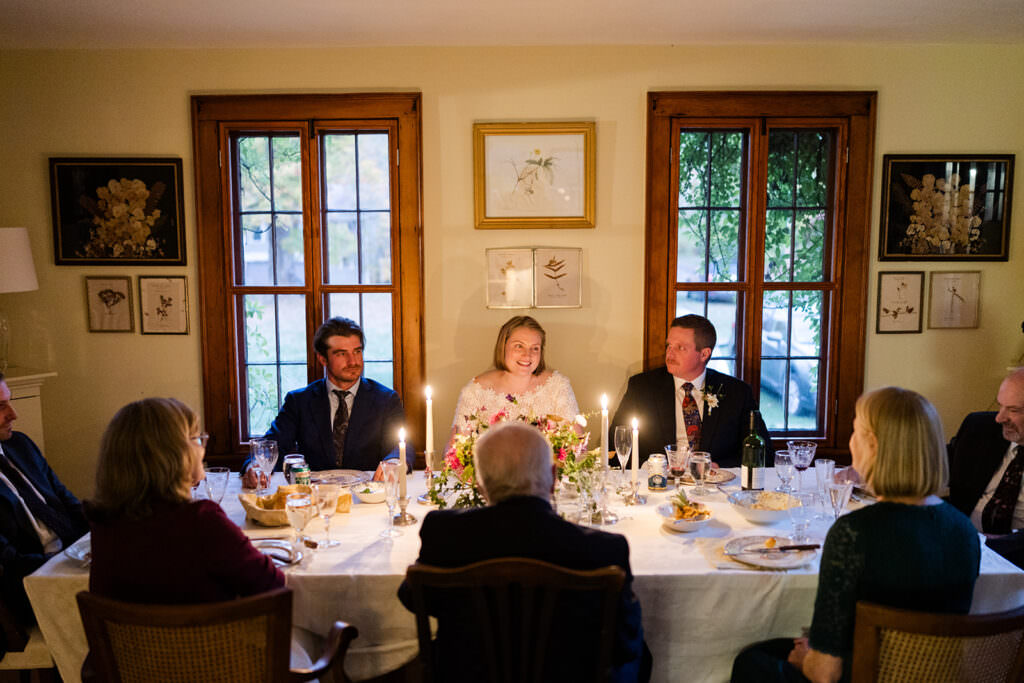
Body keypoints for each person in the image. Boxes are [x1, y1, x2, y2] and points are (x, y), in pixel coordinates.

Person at [731, 387, 980, 683]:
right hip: (929, 675)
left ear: (872, 445)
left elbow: (824, 674)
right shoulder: (964, 530)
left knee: (750, 661)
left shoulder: (855, 532)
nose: (851, 442)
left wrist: (806, 658)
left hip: (864, 674)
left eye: (855, 431)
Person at [399, 421, 649, 683]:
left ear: (480, 485)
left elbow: (412, 596)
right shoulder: (605, 550)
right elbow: (625, 641)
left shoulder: (442, 533)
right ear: (553, 478)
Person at [88, 397, 284, 603]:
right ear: (175, 455)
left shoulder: (103, 527)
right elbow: (272, 585)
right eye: (197, 439)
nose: (203, 448)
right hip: (211, 626)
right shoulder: (201, 521)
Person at [243, 316, 408, 487]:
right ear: (322, 359)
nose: (353, 361)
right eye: (342, 354)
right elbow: (272, 444)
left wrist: (394, 461)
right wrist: (255, 467)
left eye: (357, 351)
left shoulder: (386, 399)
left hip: (368, 495)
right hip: (315, 497)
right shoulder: (299, 401)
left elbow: (402, 446)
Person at [611, 314, 772, 468]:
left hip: (714, 483)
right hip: (659, 481)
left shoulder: (737, 392)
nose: (670, 353)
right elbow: (614, 445)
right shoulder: (642, 387)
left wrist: (718, 466)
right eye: (669, 346)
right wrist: (653, 466)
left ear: (704, 354)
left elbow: (764, 454)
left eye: (680, 348)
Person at [0, 372, 88, 626]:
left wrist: (108, 528)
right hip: (32, 584)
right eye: (1, 406)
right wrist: (61, 564)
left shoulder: (21, 445)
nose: (13, 414)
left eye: (10, 402)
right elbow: (8, 561)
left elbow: (65, 501)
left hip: (70, 557)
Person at [447, 316, 580, 447]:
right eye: (519, 346)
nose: (527, 355)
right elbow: (455, 451)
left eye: (535, 348)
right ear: (503, 347)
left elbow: (577, 446)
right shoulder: (477, 390)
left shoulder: (557, 386)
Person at [947, 368, 1024, 568]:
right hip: (960, 546)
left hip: (1015, 561)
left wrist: (989, 545)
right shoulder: (978, 428)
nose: (1000, 418)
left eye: (1013, 410)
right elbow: (935, 465)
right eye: (1000, 405)